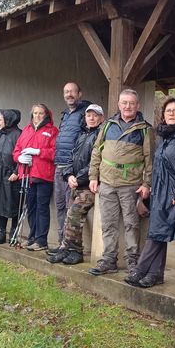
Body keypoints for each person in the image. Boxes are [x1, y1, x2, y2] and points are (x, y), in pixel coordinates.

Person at [125, 97, 175, 288]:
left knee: (157, 232)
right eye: (168, 111)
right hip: (159, 190)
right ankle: (155, 274)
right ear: (163, 114)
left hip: (173, 191)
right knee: (159, 231)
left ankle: (140, 269)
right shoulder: (163, 135)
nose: (171, 113)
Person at [87, 89, 153, 276]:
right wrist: (93, 176)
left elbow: (150, 160)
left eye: (131, 103)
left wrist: (147, 184)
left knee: (132, 224)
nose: (127, 106)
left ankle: (132, 260)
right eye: (124, 102)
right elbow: (97, 151)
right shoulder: (108, 125)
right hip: (107, 182)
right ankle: (109, 259)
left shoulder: (145, 129)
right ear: (119, 104)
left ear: (138, 105)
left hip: (131, 184)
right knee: (108, 223)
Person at [46, 104, 105, 265]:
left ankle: (76, 251)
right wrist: (69, 174)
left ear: (101, 118)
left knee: (74, 215)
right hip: (76, 183)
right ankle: (66, 248)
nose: (91, 118)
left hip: (89, 185)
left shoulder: (101, 135)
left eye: (95, 115)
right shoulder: (82, 134)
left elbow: (96, 162)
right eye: (89, 115)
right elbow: (72, 157)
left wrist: (78, 178)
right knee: (69, 216)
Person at [13, 104, 58, 251]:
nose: (37, 116)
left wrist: (39, 151)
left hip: (44, 176)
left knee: (42, 208)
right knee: (31, 208)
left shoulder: (52, 131)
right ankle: (32, 237)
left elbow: (55, 153)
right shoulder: (26, 130)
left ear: (46, 115)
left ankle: (41, 240)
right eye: (35, 113)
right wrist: (19, 158)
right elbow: (16, 151)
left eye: (40, 113)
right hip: (27, 175)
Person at [53, 82, 92, 249]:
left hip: (72, 170)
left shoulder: (85, 113)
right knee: (60, 206)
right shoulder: (65, 115)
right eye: (66, 92)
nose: (69, 94)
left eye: (72, 92)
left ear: (79, 94)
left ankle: (69, 244)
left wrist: (75, 169)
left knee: (71, 208)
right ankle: (61, 243)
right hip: (59, 166)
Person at [0, 109, 22, 245]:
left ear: (8, 120)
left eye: (0, 119)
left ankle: (13, 233)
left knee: (14, 204)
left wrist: (16, 172)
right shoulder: (2, 134)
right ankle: (1, 232)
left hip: (12, 175)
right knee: (0, 203)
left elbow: (21, 155)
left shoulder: (18, 134)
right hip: (0, 173)